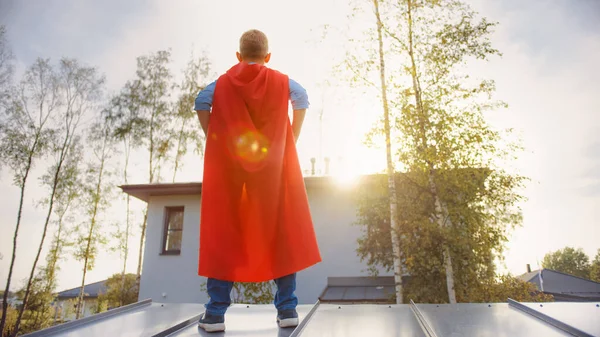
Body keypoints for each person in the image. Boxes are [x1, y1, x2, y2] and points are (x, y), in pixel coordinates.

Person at [194, 29, 322, 333]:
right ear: (268, 56)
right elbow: (301, 97)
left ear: (238, 56)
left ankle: (214, 315)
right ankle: (287, 309)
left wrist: (213, 137)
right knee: (280, 229)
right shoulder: (281, 81)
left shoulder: (223, 83)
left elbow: (201, 101)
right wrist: (292, 136)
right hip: (273, 169)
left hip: (232, 171)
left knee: (224, 231)